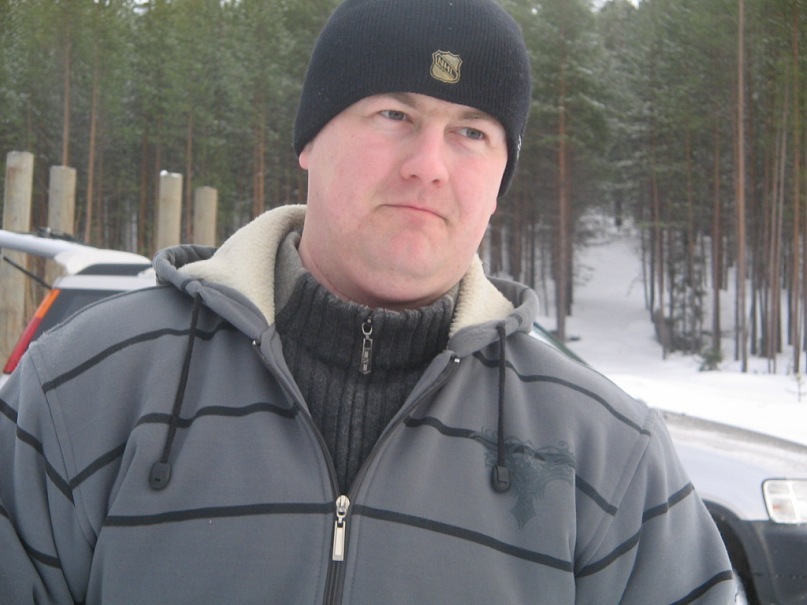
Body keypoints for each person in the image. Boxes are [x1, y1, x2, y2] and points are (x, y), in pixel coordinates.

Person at [0, 0, 734, 603]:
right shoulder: (81, 389)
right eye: (393, 115)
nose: (427, 166)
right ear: (309, 140)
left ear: (500, 181)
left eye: (471, 132)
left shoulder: (609, 454)